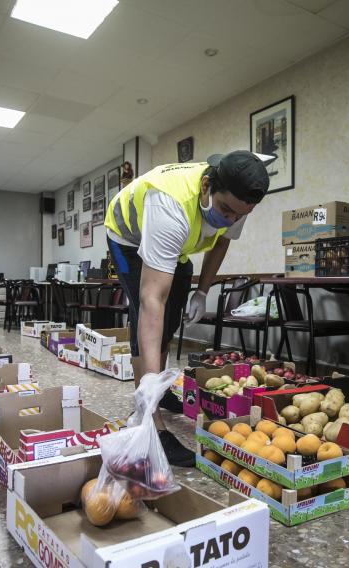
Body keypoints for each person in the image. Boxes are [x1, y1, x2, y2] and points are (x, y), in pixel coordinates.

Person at [104, 151, 270, 466]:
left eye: (239, 215)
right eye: (226, 210)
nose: (231, 219)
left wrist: (203, 291)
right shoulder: (169, 205)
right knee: (150, 314)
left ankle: (158, 389)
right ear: (206, 186)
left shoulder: (237, 200)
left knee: (174, 310)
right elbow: (152, 299)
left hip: (176, 243)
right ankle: (150, 417)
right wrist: (150, 378)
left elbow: (222, 240)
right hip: (127, 236)